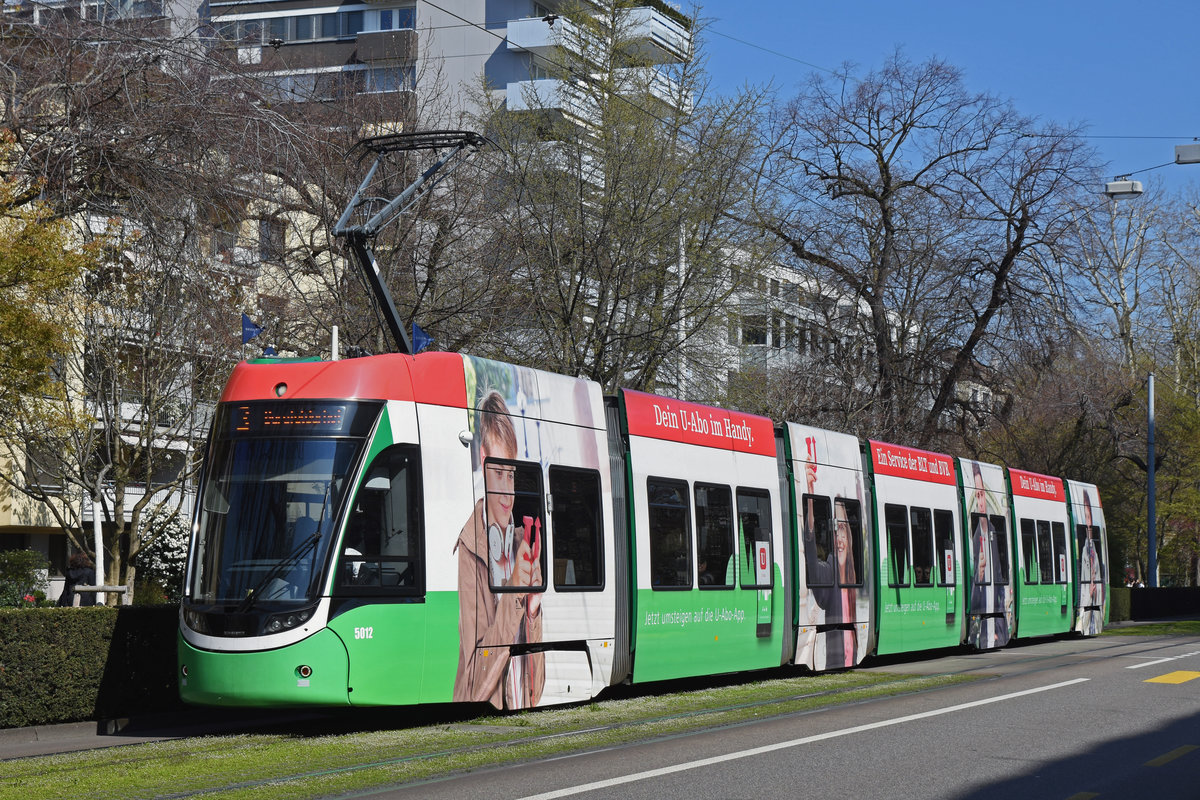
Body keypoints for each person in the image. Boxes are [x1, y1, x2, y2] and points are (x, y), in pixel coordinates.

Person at [453, 390, 545, 709]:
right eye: (498, 473)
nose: (508, 493)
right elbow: (477, 686)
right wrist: (517, 590)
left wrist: (532, 611)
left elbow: (536, 685)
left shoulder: (522, 544)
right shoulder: (470, 549)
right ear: (482, 458)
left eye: (512, 475)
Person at [800, 455, 859, 669]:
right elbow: (811, 556)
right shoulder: (830, 570)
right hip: (835, 661)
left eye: (842, 528)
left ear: (849, 535)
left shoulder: (855, 577)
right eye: (835, 531)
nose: (839, 538)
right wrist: (810, 498)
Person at [968, 462, 1010, 649]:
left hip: (997, 604)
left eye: (982, 494)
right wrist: (981, 573)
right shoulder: (974, 536)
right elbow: (973, 585)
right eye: (977, 495)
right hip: (982, 603)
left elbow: (1001, 570)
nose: (981, 500)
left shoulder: (994, 530)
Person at [1078, 491, 1104, 635]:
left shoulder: (1092, 547)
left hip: (1093, 597)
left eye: (1090, 517)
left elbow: (1097, 571)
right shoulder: (1085, 549)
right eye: (1086, 516)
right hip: (1087, 597)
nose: (1088, 521)